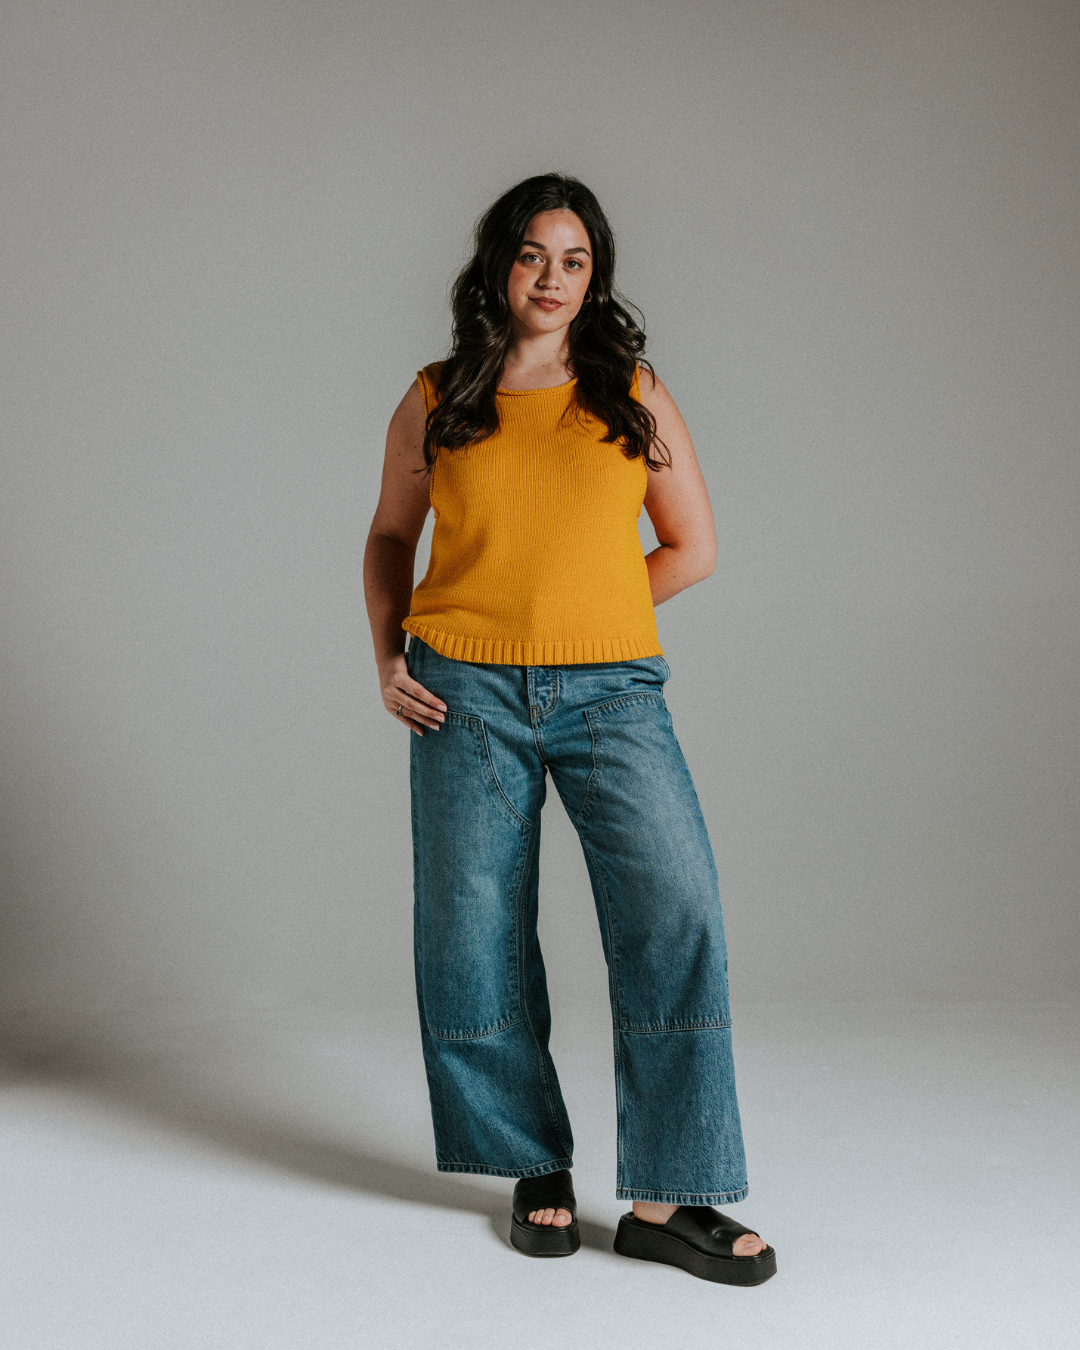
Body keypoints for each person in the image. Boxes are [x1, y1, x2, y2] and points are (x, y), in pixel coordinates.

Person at [363, 174, 775, 1285]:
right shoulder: (438, 395)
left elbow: (690, 546)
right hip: (464, 697)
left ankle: (665, 1198)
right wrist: (391, 656)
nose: (554, 278)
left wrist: (587, 617)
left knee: (675, 910)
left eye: (577, 259)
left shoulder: (631, 393)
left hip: (610, 697)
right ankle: (531, 1163)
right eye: (535, 255)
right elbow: (390, 537)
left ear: (597, 277)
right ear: (500, 265)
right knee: (473, 930)